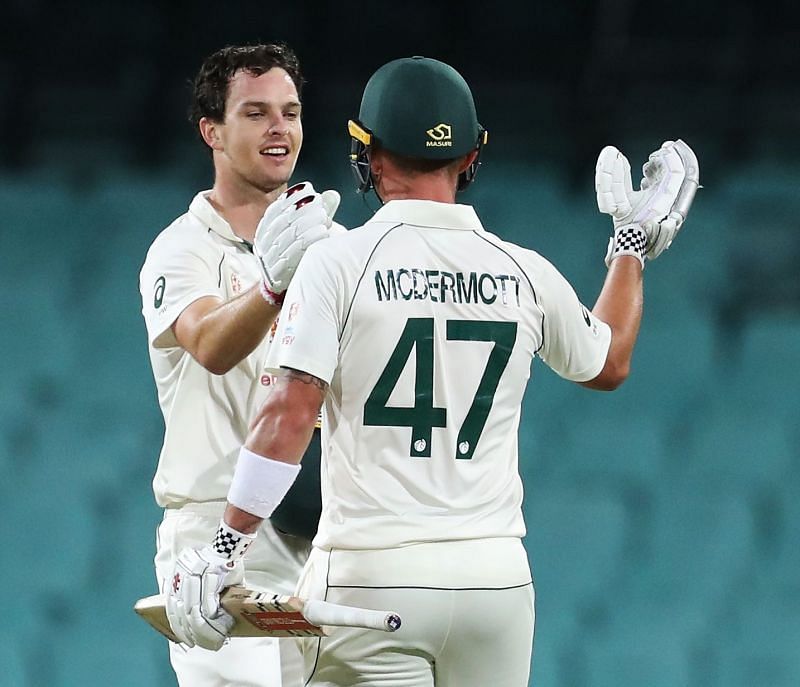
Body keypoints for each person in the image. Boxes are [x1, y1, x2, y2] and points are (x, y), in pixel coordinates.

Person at [163, 56, 699, 686]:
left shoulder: (337, 262)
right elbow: (607, 361)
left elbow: (287, 415)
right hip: (493, 583)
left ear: (368, 153)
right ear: (473, 155)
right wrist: (629, 247)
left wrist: (227, 548)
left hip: (373, 580)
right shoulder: (521, 269)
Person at [138, 43, 341, 687]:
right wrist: (272, 289)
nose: (279, 127)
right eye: (255, 113)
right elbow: (210, 345)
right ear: (212, 132)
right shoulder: (181, 248)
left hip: (318, 533)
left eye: (291, 111)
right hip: (212, 535)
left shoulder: (333, 248)